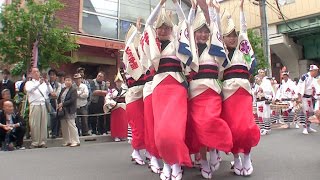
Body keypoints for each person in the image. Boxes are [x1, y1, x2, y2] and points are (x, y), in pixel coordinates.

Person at [143, 0, 192, 179]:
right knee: (162, 132)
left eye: (167, 27)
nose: (163, 30)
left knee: (176, 130)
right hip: (159, 89)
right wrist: (160, 4)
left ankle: (177, 164)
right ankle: (166, 163)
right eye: (160, 27)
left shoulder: (178, 42)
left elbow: (185, 22)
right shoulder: (153, 45)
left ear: (171, 29)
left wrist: (177, 3)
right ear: (156, 30)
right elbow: (148, 23)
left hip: (177, 88)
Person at [187, 0, 233, 178]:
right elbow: (187, 27)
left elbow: (218, 31)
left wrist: (213, 12)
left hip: (212, 92)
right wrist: (192, 9)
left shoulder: (214, 48)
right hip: (195, 93)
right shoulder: (190, 49)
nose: (203, 34)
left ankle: (214, 148)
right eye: (200, 31)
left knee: (211, 121)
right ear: (194, 33)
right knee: (199, 127)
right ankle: (204, 160)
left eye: (206, 31)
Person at [220, 0, 260, 176]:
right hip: (228, 94)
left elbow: (243, 29)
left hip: (243, 92)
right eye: (228, 35)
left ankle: (247, 157)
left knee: (246, 126)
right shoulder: (220, 52)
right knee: (233, 128)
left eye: (234, 36)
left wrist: (242, 10)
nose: (232, 38)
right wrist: (215, 13)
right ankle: (236, 158)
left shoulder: (243, 51)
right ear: (223, 38)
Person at [123, 18, 146, 165]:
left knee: (147, 125)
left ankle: (149, 152)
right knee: (138, 126)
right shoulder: (128, 60)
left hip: (145, 94)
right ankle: (136, 151)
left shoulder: (144, 58)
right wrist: (137, 31)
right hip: (134, 95)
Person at [25, 67, 53, 148]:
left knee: (43, 124)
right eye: (34, 72)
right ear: (31, 74)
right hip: (34, 104)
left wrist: (47, 83)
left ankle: (42, 142)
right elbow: (29, 90)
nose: (37, 73)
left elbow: (50, 92)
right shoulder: (29, 83)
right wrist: (38, 84)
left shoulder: (44, 83)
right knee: (34, 124)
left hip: (42, 104)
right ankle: (35, 142)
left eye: (37, 71)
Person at [104, 71, 128, 142]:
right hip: (115, 107)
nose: (119, 83)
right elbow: (107, 98)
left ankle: (123, 135)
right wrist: (112, 103)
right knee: (115, 122)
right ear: (115, 82)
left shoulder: (126, 90)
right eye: (117, 82)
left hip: (124, 106)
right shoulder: (112, 91)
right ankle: (116, 136)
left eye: (120, 81)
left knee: (123, 122)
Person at [57, 75, 80, 147]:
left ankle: (75, 141)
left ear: (72, 81)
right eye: (66, 80)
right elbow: (59, 98)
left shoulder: (73, 90)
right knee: (64, 126)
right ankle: (67, 141)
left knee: (71, 125)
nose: (67, 82)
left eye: (69, 80)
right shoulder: (63, 89)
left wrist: (62, 104)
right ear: (64, 81)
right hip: (63, 110)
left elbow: (72, 100)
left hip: (70, 109)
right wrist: (59, 105)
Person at [297, 65, 318, 134]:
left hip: (310, 97)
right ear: (312, 71)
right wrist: (299, 97)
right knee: (305, 112)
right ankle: (304, 128)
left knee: (311, 112)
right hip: (304, 97)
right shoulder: (305, 76)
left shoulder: (314, 79)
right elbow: (300, 87)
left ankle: (308, 127)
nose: (317, 72)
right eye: (316, 71)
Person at [48, 69, 62, 138]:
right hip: (47, 102)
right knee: (49, 118)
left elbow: (57, 95)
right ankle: (49, 132)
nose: (52, 76)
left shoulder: (58, 85)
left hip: (55, 102)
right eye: (50, 75)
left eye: (53, 75)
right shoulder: (46, 84)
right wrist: (51, 94)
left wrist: (51, 93)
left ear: (56, 76)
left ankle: (55, 133)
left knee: (55, 117)